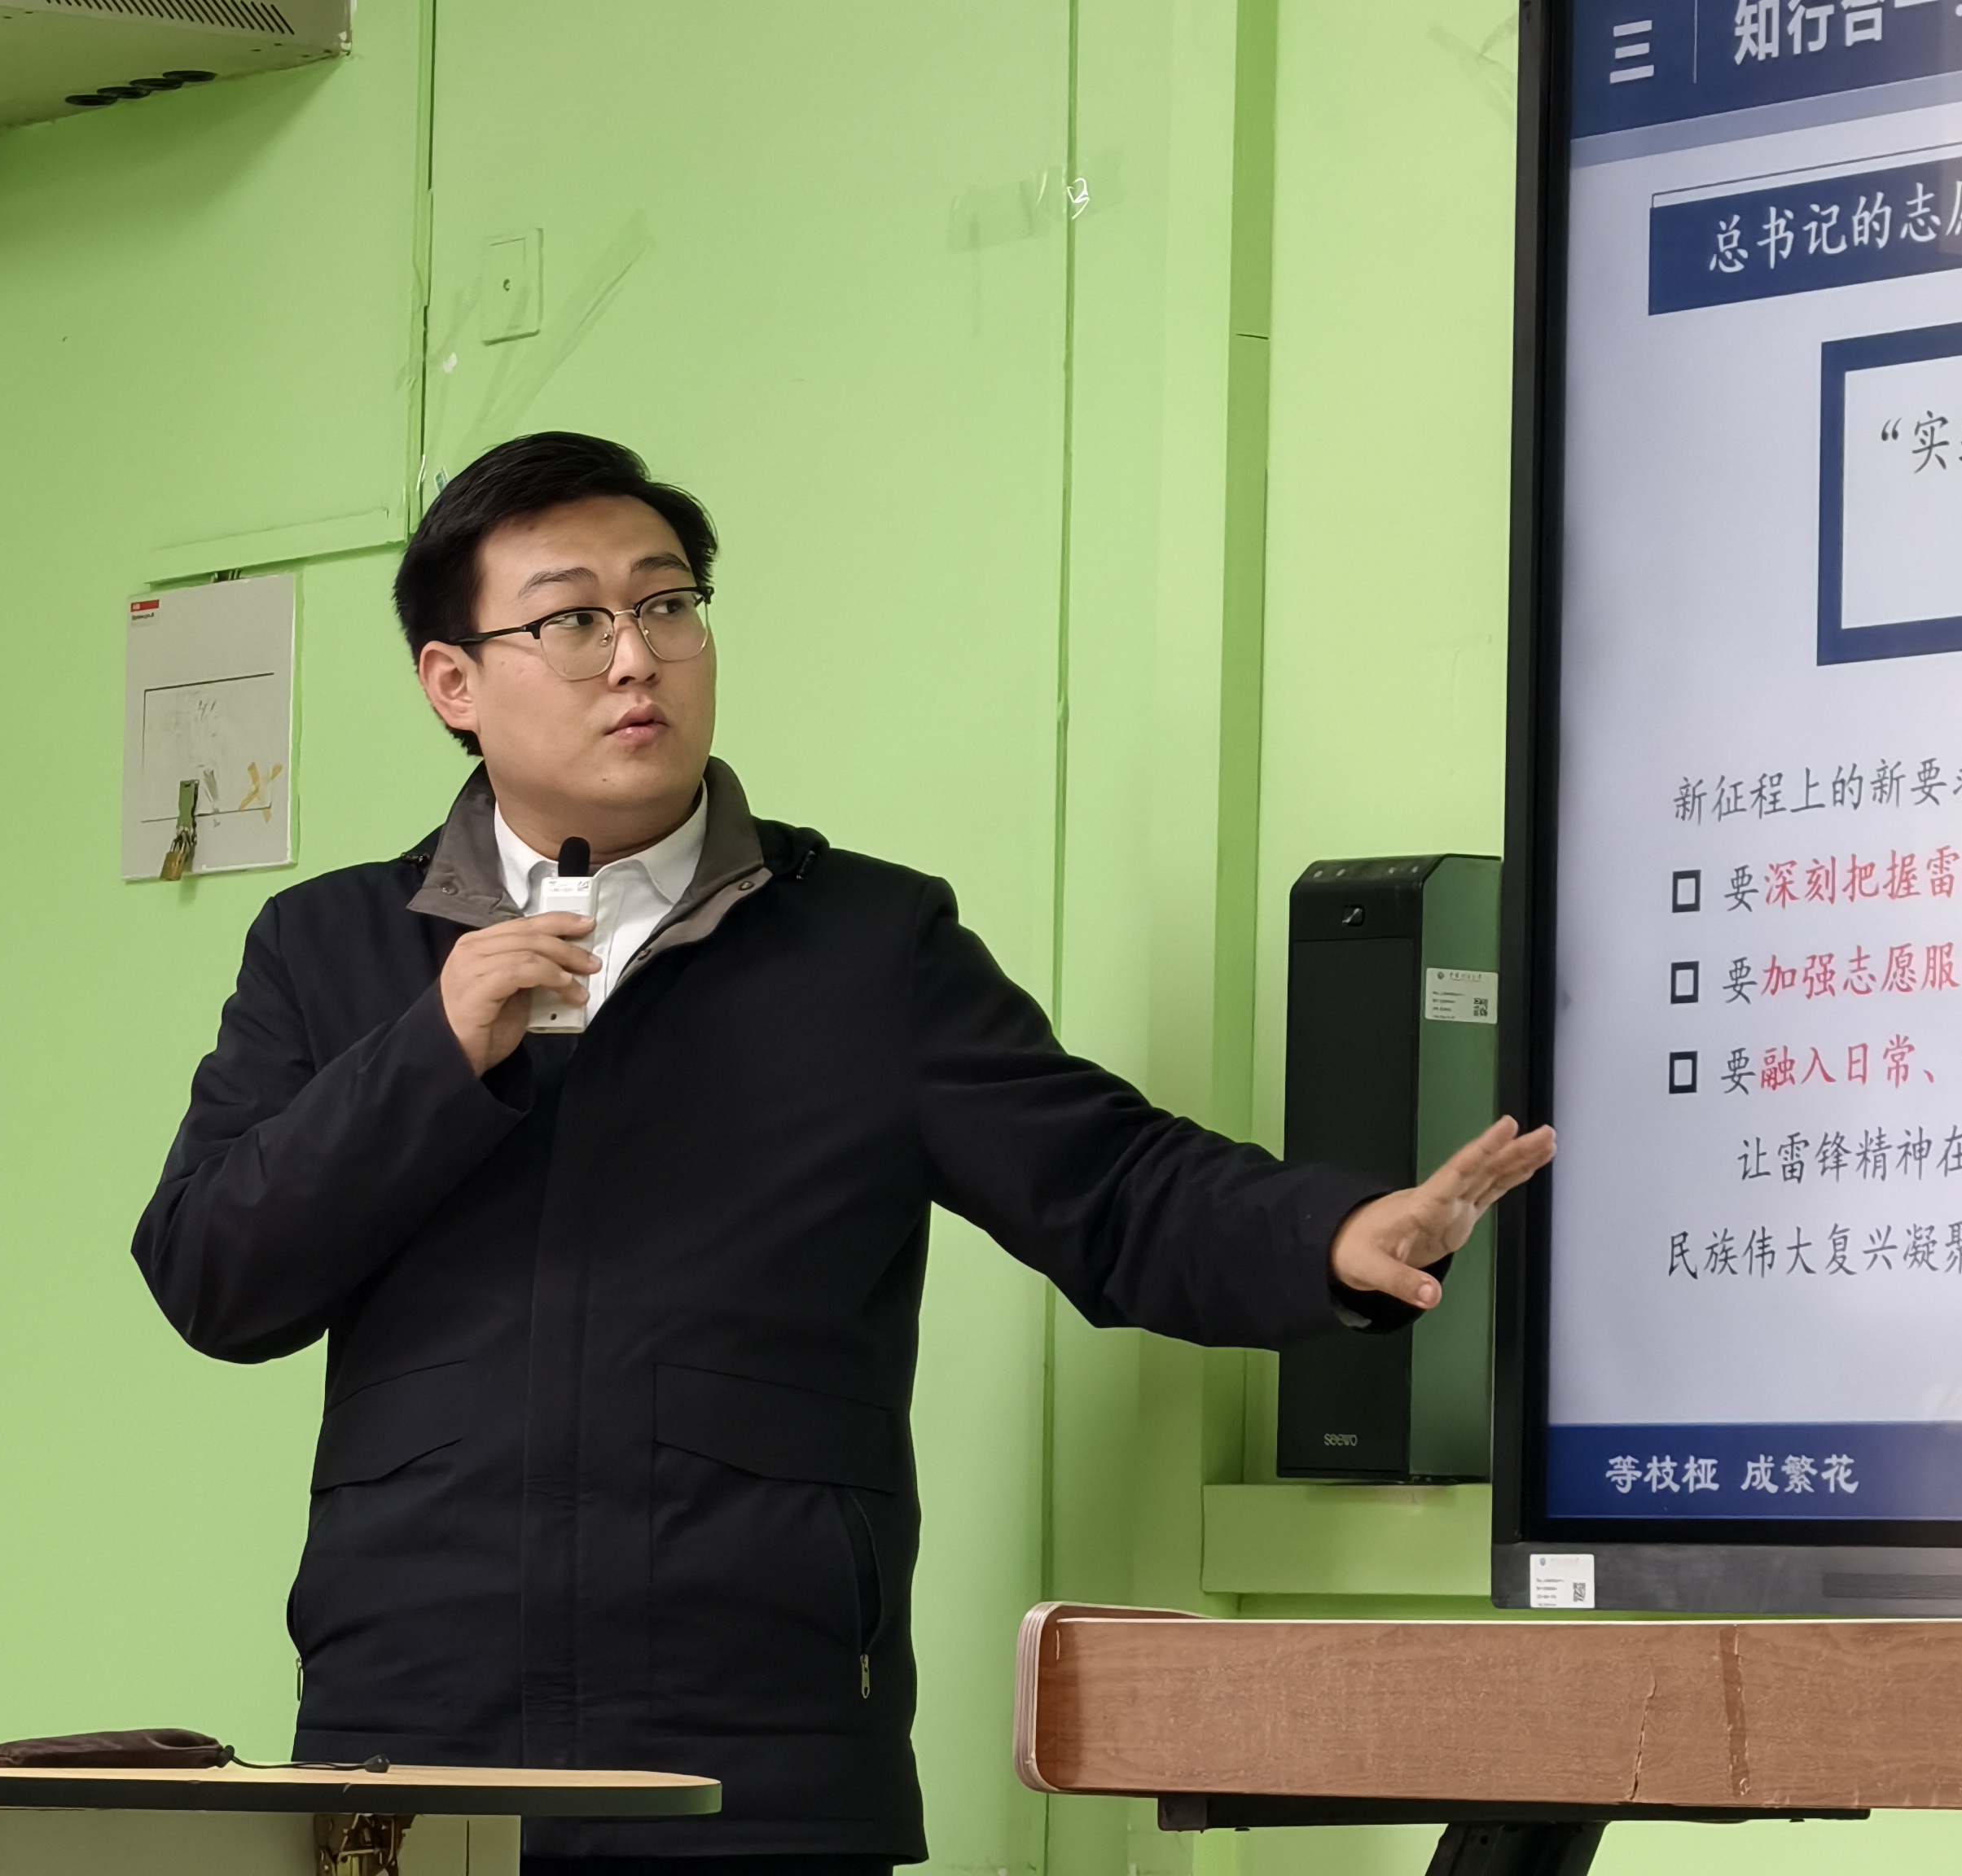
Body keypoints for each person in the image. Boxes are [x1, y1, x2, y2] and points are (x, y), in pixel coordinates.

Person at [131, 432, 1554, 1874]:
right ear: (454, 682)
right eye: (572, 620)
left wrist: (1327, 1237)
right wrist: (430, 1052)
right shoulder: (330, 949)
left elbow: (1110, 1183)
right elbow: (214, 1274)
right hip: (409, 1748)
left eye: (667, 606)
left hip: (759, 1754)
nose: (635, 659)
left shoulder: (868, 947)